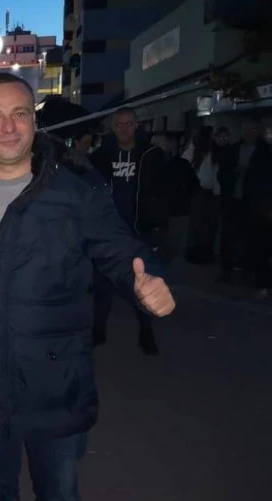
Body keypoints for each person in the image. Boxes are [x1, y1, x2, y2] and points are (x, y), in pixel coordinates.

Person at [0, 74, 175, 501]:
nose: (9, 127)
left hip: (56, 384)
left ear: (34, 121)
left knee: (58, 496)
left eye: (19, 113)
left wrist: (147, 278)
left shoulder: (75, 191)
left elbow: (121, 249)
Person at [90, 107, 170, 355]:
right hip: (108, 233)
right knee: (102, 284)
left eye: (128, 124)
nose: (124, 129)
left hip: (139, 230)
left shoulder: (150, 154)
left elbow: (163, 190)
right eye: (119, 124)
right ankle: (98, 330)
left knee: (142, 282)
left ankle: (146, 332)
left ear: (136, 125)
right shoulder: (101, 157)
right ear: (112, 128)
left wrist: (156, 221)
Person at [216, 117, 272, 296]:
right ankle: (228, 269)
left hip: (255, 202)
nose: (249, 132)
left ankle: (254, 274)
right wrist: (234, 174)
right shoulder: (233, 150)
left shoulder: (265, 152)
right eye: (246, 129)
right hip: (234, 200)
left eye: (252, 129)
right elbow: (222, 174)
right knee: (229, 236)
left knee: (256, 239)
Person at [151, 133, 199, 266]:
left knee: (175, 250)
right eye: (154, 144)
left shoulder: (182, 164)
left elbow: (194, 186)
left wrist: (182, 196)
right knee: (157, 248)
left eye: (160, 144)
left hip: (177, 212)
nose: (157, 147)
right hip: (157, 213)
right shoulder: (149, 164)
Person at [186, 127, 229, 264]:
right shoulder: (201, 152)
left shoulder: (207, 152)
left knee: (205, 224)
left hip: (206, 192)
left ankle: (200, 252)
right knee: (202, 223)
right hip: (203, 191)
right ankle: (199, 252)